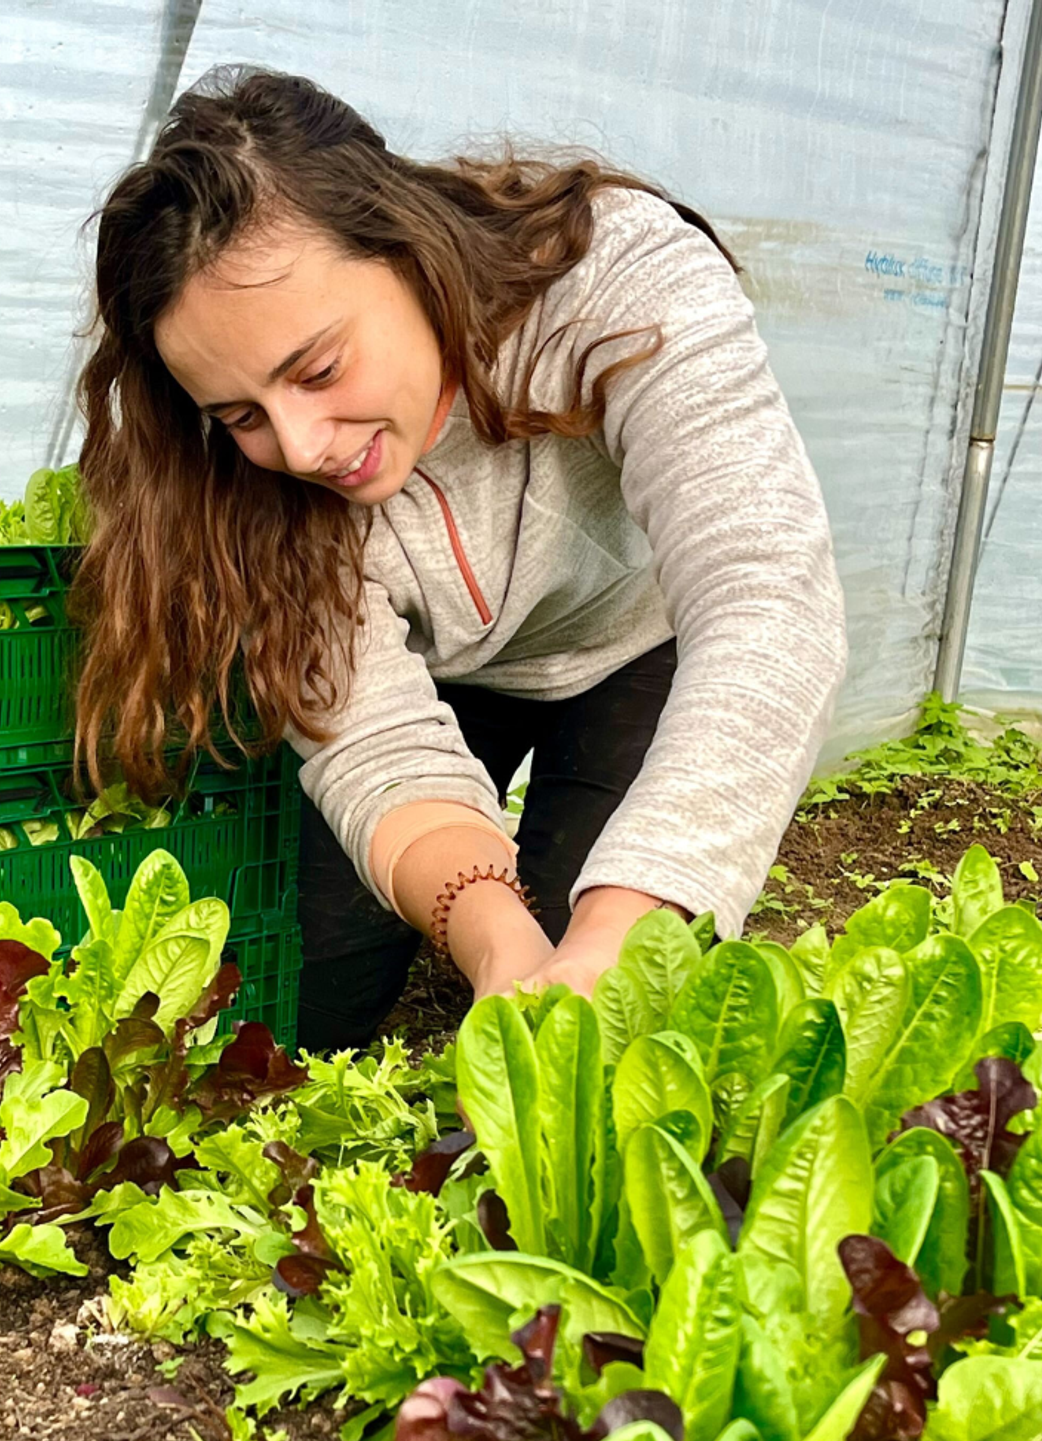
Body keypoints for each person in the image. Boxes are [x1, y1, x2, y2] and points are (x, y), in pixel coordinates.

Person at [68, 66, 846, 1051]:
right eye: (242, 415)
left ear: (407, 248)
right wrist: (496, 944)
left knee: (611, 985)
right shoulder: (244, 485)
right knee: (321, 997)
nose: (301, 447)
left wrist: (616, 928)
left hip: (625, 650)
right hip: (437, 669)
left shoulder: (617, 277)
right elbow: (372, 740)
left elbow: (764, 594)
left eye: (318, 369)